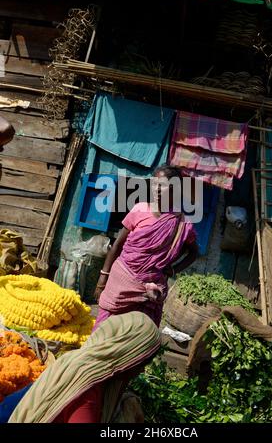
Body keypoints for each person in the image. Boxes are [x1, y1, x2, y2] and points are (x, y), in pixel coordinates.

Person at [94, 164, 198, 330]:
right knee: (104, 329)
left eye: (162, 185)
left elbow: (193, 253)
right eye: (154, 183)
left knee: (137, 335)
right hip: (121, 280)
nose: (156, 189)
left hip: (150, 289)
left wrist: (172, 270)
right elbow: (117, 246)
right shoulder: (139, 209)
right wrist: (102, 278)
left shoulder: (182, 223)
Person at [8, 311, 161, 423]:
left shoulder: (75, 360)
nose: (141, 371)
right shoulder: (86, 390)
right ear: (124, 354)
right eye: (142, 363)